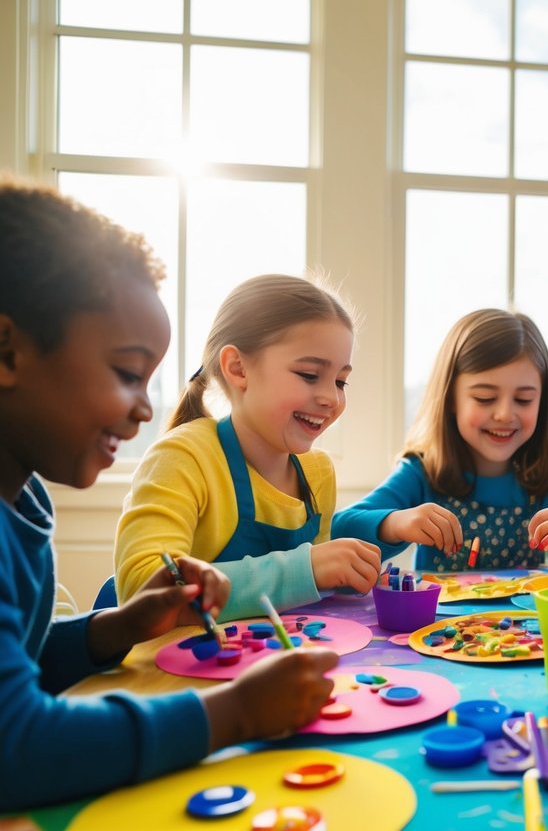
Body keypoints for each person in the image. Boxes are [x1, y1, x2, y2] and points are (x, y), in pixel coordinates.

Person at [0, 179, 335, 810]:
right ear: (7, 351)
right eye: (127, 374)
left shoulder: (22, 504)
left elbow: (16, 664)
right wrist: (231, 713)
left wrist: (111, 629)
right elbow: (15, 744)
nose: (145, 409)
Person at [112, 274, 381, 620]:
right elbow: (140, 589)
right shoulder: (183, 458)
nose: (331, 397)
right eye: (310, 375)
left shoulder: (317, 472)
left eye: (341, 381)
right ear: (238, 369)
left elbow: (311, 601)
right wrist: (305, 569)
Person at [332, 309, 548, 572]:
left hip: (522, 631)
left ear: (542, 402)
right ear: (451, 399)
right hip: (440, 631)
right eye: (485, 398)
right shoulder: (422, 474)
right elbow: (340, 529)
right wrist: (395, 523)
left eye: (524, 399)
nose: (504, 414)